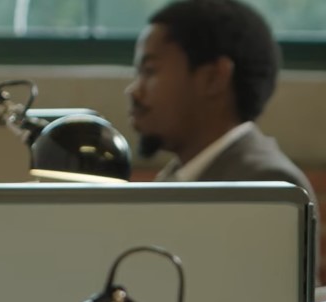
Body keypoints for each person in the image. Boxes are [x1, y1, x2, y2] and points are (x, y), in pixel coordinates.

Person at [125, 0, 314, 194]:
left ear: (213, 78)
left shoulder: (265, 185)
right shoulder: (179, 176)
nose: (133, 91)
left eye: (149, 71)